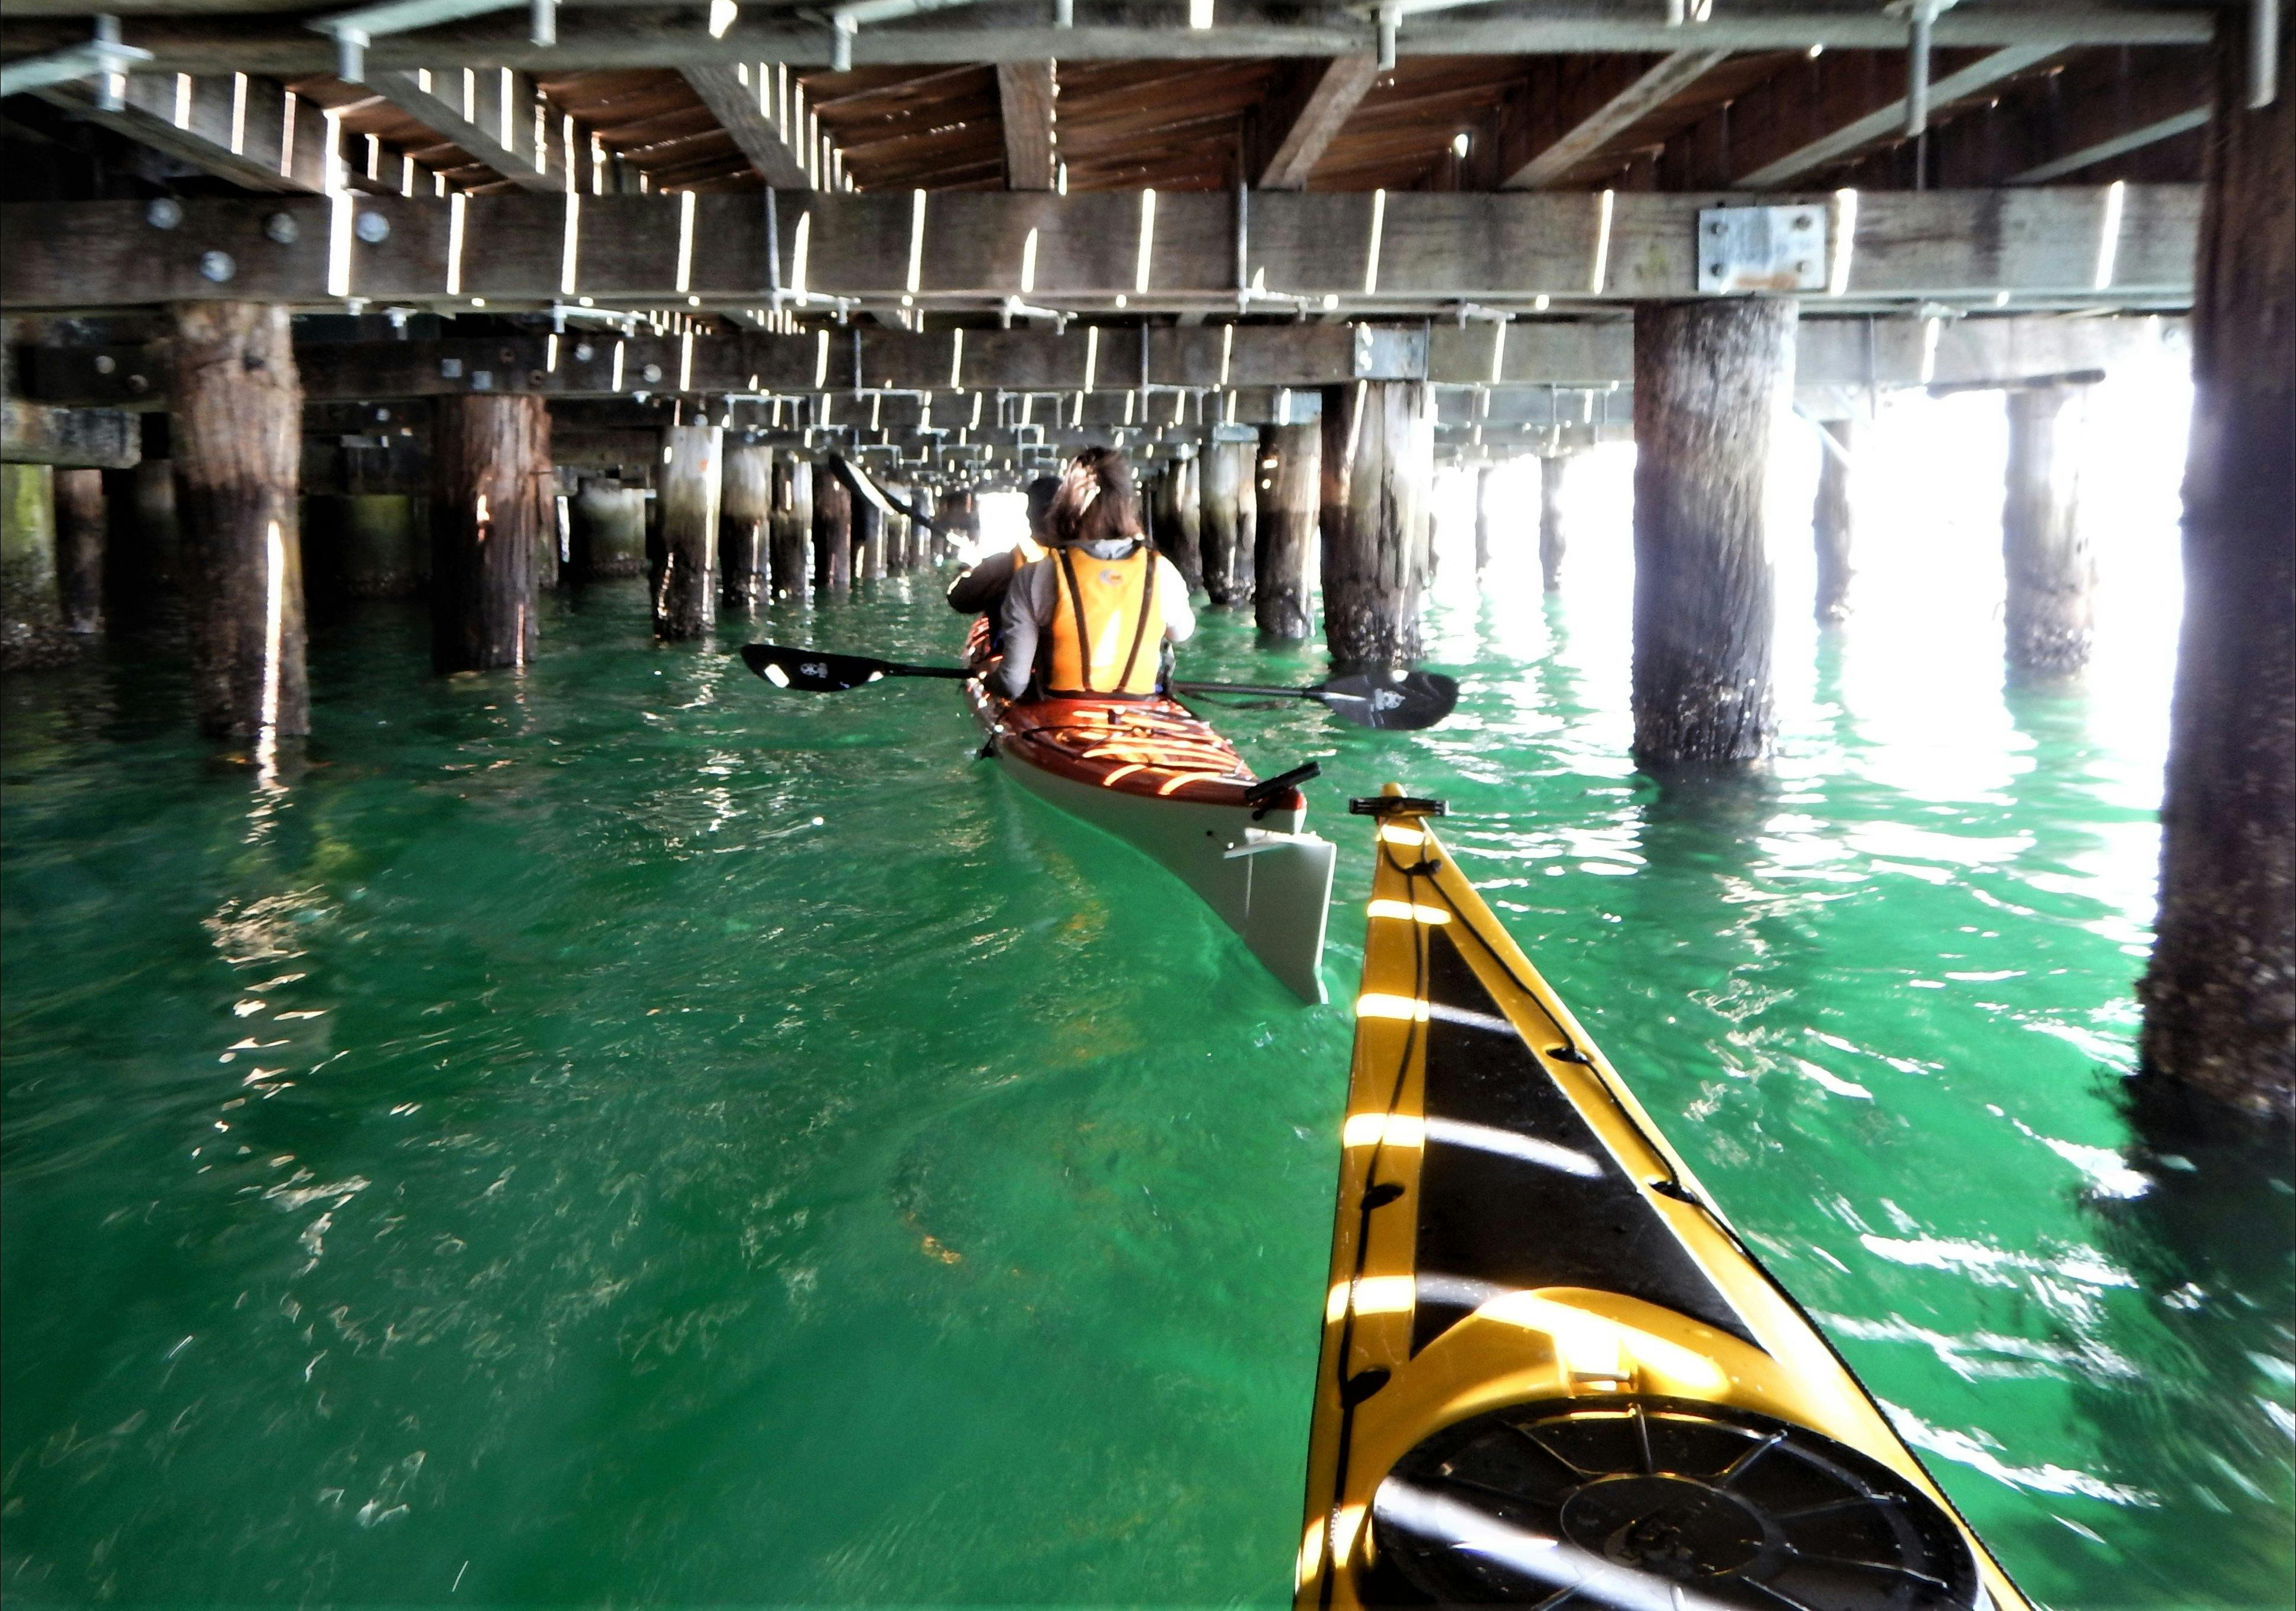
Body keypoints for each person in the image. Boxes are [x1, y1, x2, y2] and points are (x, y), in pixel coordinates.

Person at [991, 449, 1194, 701]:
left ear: (1065, 506)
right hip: (1138, 709)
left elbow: (1013, 684)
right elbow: (1182, 633)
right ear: (1127, 506)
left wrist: (988, 678)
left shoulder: (1036, 575)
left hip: (1061, 709)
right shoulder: (1162, 571)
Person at [946, 474, 1059, 622]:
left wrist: (967, 567)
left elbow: (959, 599)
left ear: (1029, 514)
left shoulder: (1005, 565)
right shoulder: (1083, 559)